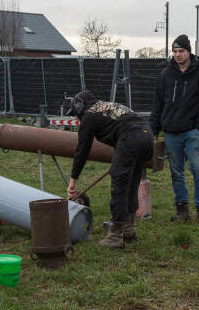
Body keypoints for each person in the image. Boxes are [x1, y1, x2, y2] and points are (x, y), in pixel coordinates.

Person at [66, 91, 154, 249]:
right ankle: (128, 229)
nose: (75, 117)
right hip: (147, 136)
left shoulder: (90, 115)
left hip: (130, 137)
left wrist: (73, 180)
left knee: (119, 183)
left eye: (74, 114)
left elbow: (82, 150)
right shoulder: (107, 106)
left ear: (80, 107)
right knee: (132, 183)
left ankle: (114, 236)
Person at [149, 34, 199, 222]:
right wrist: (154, 130)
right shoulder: (165, 75)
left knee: (198, 169)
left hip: (192, 132)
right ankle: (182, 211)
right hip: (171, 133)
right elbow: (158, 104)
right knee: (176, 173)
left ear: (189, 52)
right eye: (175, 51)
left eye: (181, 51)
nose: (178, 54)